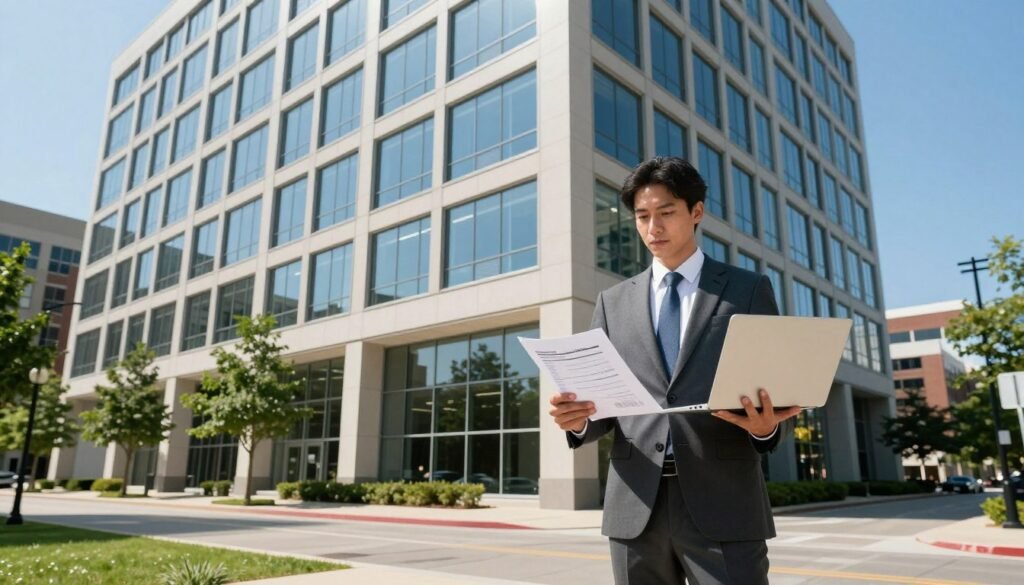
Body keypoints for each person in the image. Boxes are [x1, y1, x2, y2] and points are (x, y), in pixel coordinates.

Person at [548, 156, 802, 585]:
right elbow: (604, 409)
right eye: (642, 217)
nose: (653, 228)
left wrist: (764, 429)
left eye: (666, 213)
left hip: (724, 502)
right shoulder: (613, 302)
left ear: (696, 212)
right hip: (635, 507)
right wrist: (577, 421)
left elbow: (775, 396)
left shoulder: (747, 289)